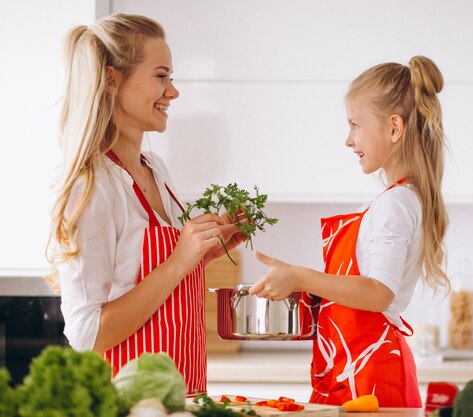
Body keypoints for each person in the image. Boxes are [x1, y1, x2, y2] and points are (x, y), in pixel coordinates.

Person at [46, 13, 244, 395]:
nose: (173, 91)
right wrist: (181, 260)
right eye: (161, 76)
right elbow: (88, 334)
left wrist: (206, 253)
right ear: (111, 79)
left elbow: (144, 276)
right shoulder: (92, 186)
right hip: (127, 403)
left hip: (181, 394)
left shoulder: (155, 170)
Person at [249, 56, 449, 407]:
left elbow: (377, 293)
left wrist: (298, 276)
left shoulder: (396, 203)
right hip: (357, 365)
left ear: (393, 128)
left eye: (355, 125)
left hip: (373, 375)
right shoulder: (395, 199)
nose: (348, 139)